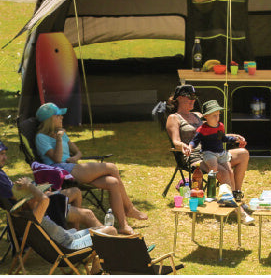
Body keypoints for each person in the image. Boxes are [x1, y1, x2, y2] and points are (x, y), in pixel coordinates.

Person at [35, 102, 147, 235]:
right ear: (50, 119)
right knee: (112, 167)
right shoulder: (41, 137)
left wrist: (74, 158)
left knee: (113, 182)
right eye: (58, 115)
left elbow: (78, 152)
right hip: (60, 171)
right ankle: (129, 208)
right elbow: (57, 159)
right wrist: (58, 138)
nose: (62, 118)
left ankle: (123, 224)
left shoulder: (62, 134)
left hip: (72, 166)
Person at [165, 84, 254, 225]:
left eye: (195, 98)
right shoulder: (174, 118)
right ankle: (239, 212)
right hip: (194, 157)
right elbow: (176, 141)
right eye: (190, 97)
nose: (193, 101)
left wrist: (234, 136)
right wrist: (183, 145)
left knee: (243, 154)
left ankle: (236, 196)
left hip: (212, 152)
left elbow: (215, 134)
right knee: (224, 172)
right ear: (180, 98)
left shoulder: (199, 115)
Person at [0, 139, 101, 230]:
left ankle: (74, 232)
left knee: (76, 191)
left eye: (5, 153)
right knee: (88, 214)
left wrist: (39, 188)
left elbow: (15, 192)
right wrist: (40, 192)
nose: (5, 157)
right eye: (1, 154)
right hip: (39, 209)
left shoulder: (1, 174)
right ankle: (108, 241)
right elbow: (19, 200)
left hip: (37, 203)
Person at [187, 100, 239, 190]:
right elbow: (195, 141)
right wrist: (190, 147)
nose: (217, 117)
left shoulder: (220, 126)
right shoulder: (202, 129)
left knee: (230, 171)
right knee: (213, 169)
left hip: (221, 153)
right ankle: (212, 191)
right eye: (214, 115)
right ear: (206, 116)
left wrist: (234, 139)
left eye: (218, 115)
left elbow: (223, 138)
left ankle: (233, 193)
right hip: (209, 153)